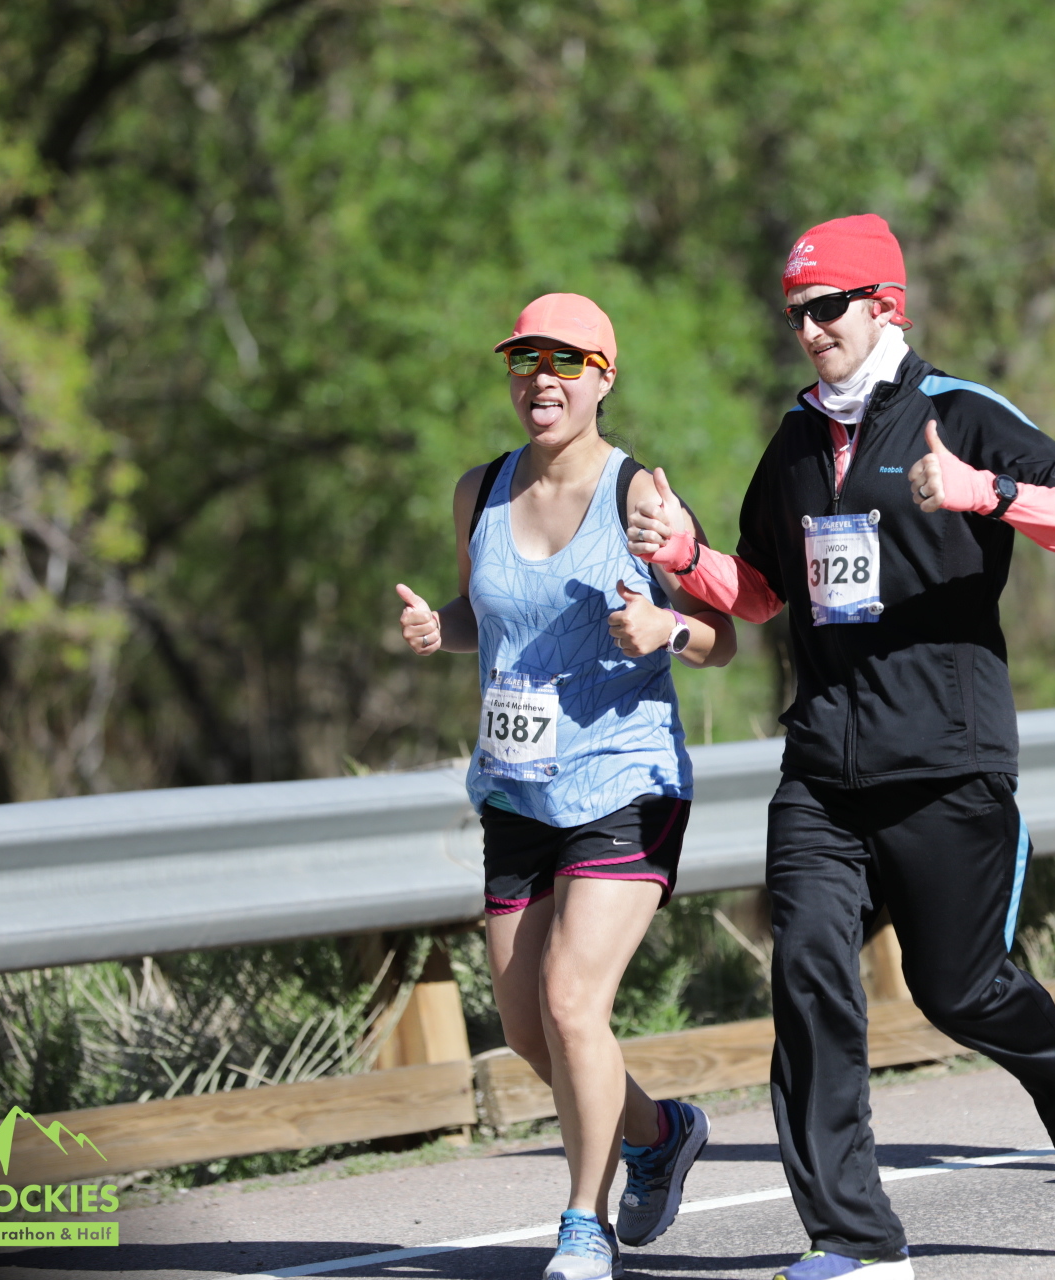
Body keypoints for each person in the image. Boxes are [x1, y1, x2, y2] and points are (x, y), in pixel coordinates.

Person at [626, 214, 1055, 1280]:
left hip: (947, 758)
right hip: (823, 767)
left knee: (959, 987)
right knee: (809, 978)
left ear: (884, 304)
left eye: (827, 308)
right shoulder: (796, 443)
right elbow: (762, 591)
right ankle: (854, 1237)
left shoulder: (961, 412)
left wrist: (986, 492)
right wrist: (684, 553)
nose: (810, 330)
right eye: (795, 314)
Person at [394, 292, 737, 1280]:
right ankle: (660, 1132)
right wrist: (444, 628)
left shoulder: (641, 496)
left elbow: (721, 637)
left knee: (572, 1000)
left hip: (626, 779)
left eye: (566, 362)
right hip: (519, 788)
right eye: (525, 360)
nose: (542, 379)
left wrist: (666, 628)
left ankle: (583, 1224)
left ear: (603, 376)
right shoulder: (480, 491)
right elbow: (490, 609)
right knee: (526, 1027)